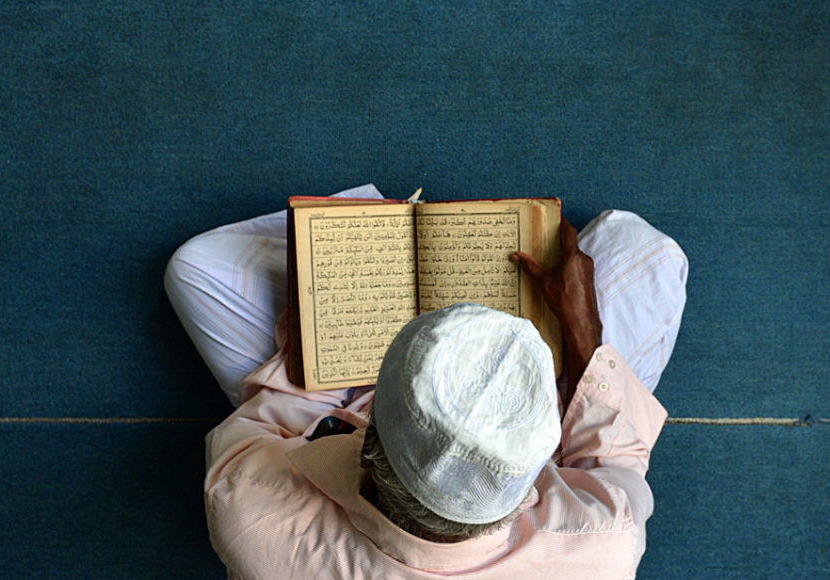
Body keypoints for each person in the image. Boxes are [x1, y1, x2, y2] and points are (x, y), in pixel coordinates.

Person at [165, 184, 688, 579]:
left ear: (367, 441)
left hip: (341, 401)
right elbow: (610, 460)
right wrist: (583, 332)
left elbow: (270, 423)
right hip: (502, 415)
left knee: (194, 268)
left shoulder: (253, 513)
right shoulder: (603, 543)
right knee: (648, 250)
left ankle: (362, 222)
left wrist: (323, 334)